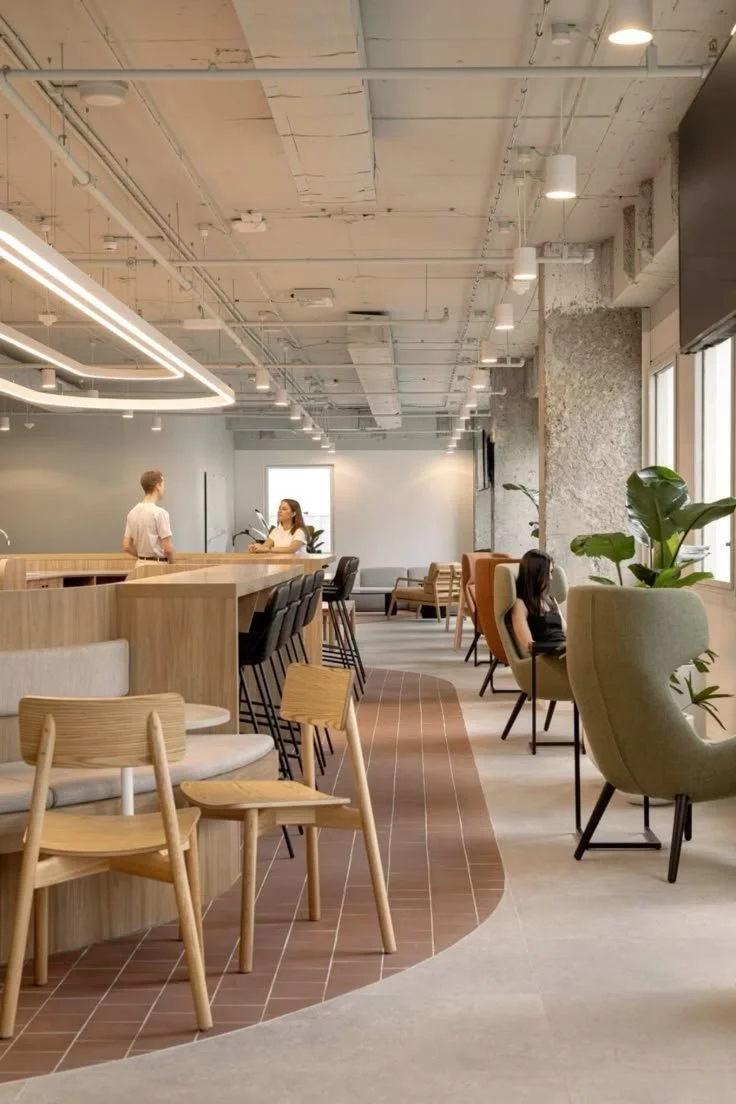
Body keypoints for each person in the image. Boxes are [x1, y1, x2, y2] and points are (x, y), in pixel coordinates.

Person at [510, 549, 566, 653]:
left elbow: (566, 632)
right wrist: (561, 648)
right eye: (547, 573)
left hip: (564, 651)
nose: (551, 577)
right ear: (534, 574)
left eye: (551, 572)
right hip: (548, 655)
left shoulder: (551, 600)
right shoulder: (520, 604)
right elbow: (528, 645)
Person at [122, 469, 175, 563]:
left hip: (139, 565)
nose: (164, 488)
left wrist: (143, 558)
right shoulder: (160, 513)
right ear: (158, 486)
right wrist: (172, 564)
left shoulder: (132, 513)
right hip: (158, 567)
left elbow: (126, 546)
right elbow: (167, 548)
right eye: (163, 484)